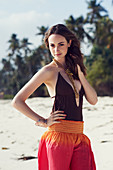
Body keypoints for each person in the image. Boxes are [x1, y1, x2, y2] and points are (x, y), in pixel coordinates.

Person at [12, 24, 98, 170]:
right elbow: (17, 101)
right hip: (59, 136)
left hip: (80, 136)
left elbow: (93, 100)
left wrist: (81, 74)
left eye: (61, 44)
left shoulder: (75, 70)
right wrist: (43, 121)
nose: (56, 50)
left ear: (69, 43)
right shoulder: (48, 71)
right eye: (52, 45)